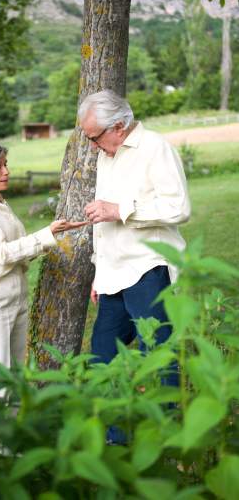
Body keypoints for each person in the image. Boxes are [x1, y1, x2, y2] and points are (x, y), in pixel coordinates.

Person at [79, 90, 191, 382]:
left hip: (148, 270)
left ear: (118, 126)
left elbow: (178, 207)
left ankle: (167, 424)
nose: (92, 146)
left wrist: (120, 210)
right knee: (103, 357)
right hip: (112, 276)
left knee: (158, 355)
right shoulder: (107, 155)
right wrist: (99, 272)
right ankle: (115, 429)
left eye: (94, 137)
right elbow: (104, 222)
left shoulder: (155, 147)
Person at [0, 142, 87, 387]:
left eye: (6, 165)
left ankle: (16, 424)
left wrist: (53, 234)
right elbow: (2, 254)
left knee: (16, 377)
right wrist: (44, 235)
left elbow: (18, 252)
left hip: (16, 298)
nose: (6, 171)